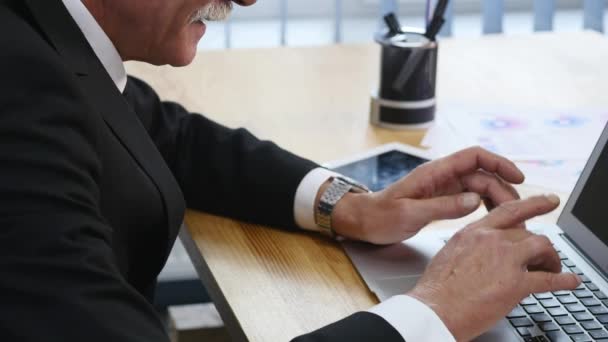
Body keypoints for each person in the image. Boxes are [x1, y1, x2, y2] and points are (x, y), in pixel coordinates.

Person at [0, 0, 580, 341]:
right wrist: (434, 312)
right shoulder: (18, 85)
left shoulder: (43, 36)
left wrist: (350, 206)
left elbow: (163, 132)